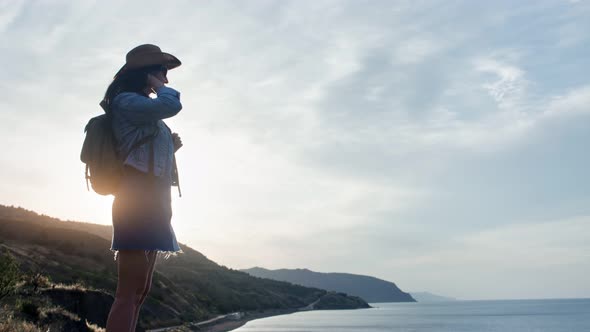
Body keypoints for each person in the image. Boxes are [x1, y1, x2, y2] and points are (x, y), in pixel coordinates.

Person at [102, 44, 184, 332]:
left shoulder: (142, 109)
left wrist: (169, 147)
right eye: (161, 72)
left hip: (155, 202)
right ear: (146, 73)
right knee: (128, 292)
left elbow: (140, 151)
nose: (166, 79)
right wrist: (158, 86)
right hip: (136, 200)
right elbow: (171, 104)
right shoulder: (126, 101)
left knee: (141, 291)